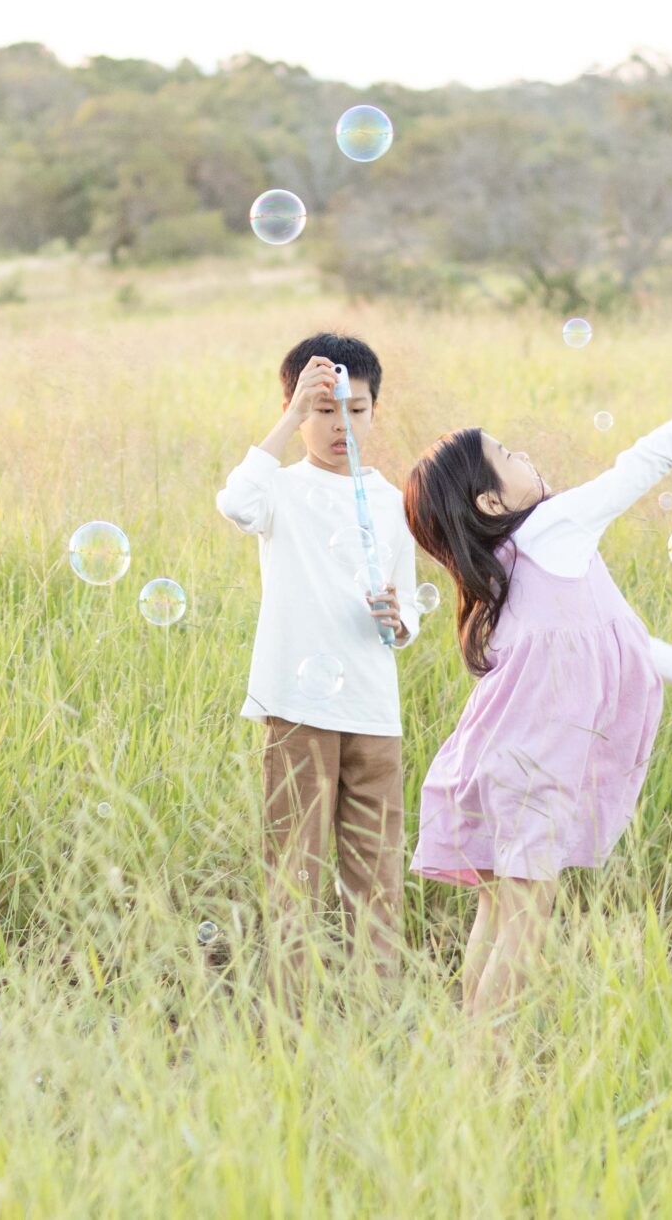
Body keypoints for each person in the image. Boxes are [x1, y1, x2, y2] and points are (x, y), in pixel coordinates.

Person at [403, 381, 672, 1020]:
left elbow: (624, 643)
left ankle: (471, 1055)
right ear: (492, 498)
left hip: (490, 764)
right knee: (525, 927)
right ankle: (479, 1073)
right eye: (509, 453)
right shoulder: (554, 528)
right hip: (535, 773)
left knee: (495, 916)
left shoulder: (499, 570)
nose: (527, 456)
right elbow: (648, 459)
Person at [216, 333, 422, 981]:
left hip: (372, 708)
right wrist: (286, 419)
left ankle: (374, 1009)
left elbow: (407, 605)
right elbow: (236, 504)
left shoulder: (391, 500)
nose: (341, 424)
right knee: (293, 873)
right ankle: (290, 1013)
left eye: (356, 409)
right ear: (297, 407)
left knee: (378, 875)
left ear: (375, 412)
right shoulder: (281, 487)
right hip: (298, 704)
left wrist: (401, 620)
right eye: (323, 408)